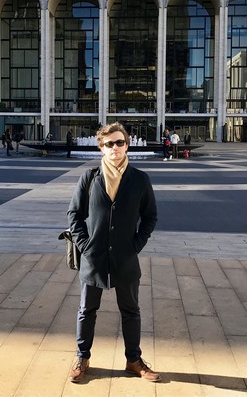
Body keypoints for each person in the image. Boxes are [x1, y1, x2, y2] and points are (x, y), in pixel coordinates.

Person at [67, 122, 160, 384]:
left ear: (127, 145)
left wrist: (136, 245)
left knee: (131, 310)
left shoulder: (140, 179)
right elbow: (74, 215)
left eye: (120, 142)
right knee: (87, 310)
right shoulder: (89, 177)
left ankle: (134, 361)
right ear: (102, 147)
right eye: (110, 144)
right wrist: (85, 245)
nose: (115, 148)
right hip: (93, 257)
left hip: (125, 257)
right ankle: (82, 358)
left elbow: (150, 217)